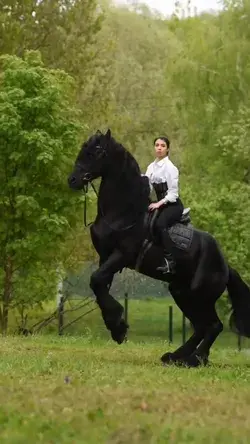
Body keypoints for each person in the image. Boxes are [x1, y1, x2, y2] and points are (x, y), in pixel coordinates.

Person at [145, 136, 184, 273]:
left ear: (167, 149)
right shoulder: (151, 167)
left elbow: (173, 194)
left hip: (173, 205)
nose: (159, 148)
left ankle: (171, 262)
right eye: (157, 145)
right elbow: (148, 188)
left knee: (160, 224)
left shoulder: (170, 168)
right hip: (159, 203)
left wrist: (158, 204)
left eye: (162, 145)